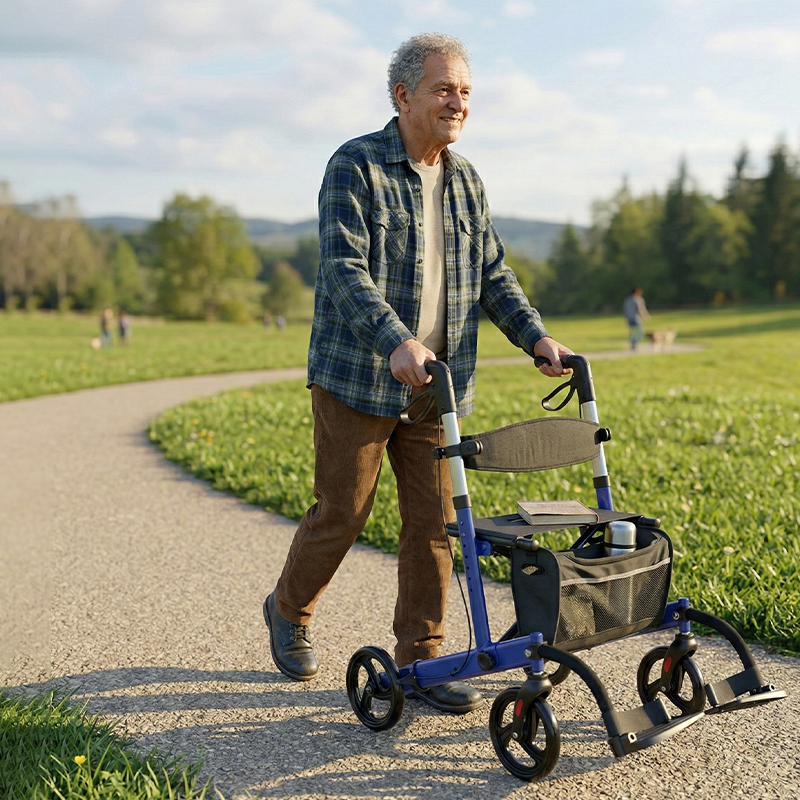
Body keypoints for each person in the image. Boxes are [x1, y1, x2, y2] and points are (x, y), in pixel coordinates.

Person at [263, 33, 573, 714]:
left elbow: (493, 273)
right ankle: (289, 608)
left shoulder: (465, 180)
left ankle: (422, 661)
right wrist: (395, 340)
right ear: (402, 95)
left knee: (434, 523)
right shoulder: (355, 166)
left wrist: (537, 337)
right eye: (443, 89)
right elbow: (343, 271)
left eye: (464, 90)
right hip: (359, 377)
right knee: (342, 511)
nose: (457, 102)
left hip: (440, 388)